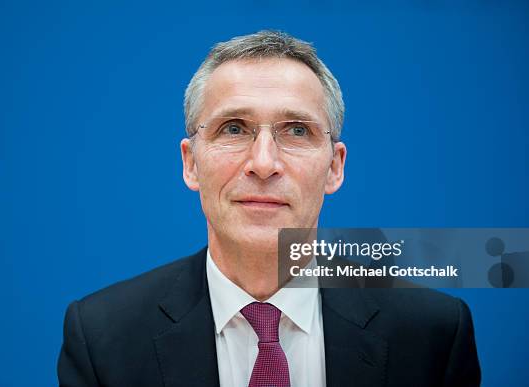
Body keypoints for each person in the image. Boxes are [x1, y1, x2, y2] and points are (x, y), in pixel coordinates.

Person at [57, 30, 481, 387]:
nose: (263, 163)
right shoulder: (102, 337)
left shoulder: (433, 334)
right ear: (191, 164)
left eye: (296, 130)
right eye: (234, 128)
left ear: (334, 167)